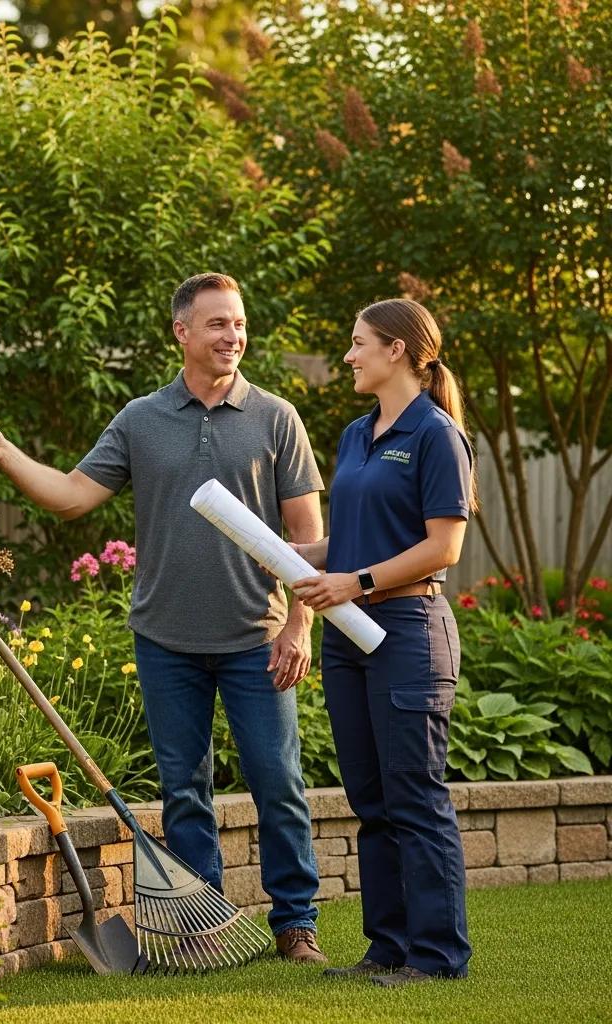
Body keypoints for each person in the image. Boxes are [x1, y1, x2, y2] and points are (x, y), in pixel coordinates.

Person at [0, 273, 327, 962]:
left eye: (238, 323)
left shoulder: (276, 418)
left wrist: (299, 627)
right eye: (216, 324)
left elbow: (306, 540)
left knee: (278, 784)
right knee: (185, 792)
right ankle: (203, 924)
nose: (233, 336)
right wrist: (5, 456)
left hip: (257, 639)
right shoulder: (141, 419)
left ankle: (295, 923)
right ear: (181, 332)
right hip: (165, 641)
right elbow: (69, 496)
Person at [291, 298, 474, 987]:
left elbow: (442, 546)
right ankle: (388, 947)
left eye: (358, 342)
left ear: (397, 350)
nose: (349, 355)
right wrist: (297, 553)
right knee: (370, 797)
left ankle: (438, 957)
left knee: (413, 796)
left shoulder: (435, 434)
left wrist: (354, 583)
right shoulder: (356, 433)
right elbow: (355, 539)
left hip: (406, 632)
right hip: (350, 634)